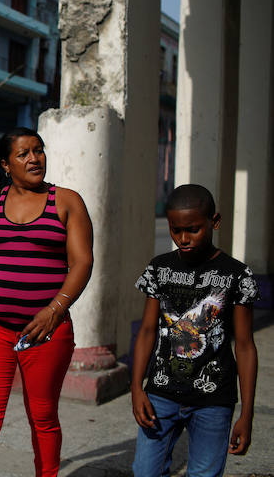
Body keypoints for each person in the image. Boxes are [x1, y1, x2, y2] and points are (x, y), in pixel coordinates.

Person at [0, 126, 93, 477]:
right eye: (23, 153)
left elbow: (82, 262)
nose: (34, 158)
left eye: (38, 150)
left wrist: (54, 311)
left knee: (42, 417)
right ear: (6, 165)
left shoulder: (67, 201)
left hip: (45, 333)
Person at [131, 184, 259, 477]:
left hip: (213, 400)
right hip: (161, 394)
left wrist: (247, 414)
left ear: (214, 222)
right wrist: (137, 387)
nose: (183, 239)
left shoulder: (237, 275)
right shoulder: (159, 268)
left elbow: (245, 346)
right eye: (176, 230)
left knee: (204, 474)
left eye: (193, 229)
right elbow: (148, 331)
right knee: (145, 471)